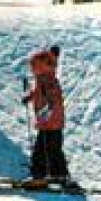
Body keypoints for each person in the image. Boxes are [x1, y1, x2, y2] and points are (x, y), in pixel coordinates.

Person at [23, 45, 70, 183]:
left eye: (34, 66)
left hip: (50, 122)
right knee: (50, 149)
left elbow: (53, 99)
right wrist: (30, 97)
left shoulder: (47, 81)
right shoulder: (44, 79)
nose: (32, 69)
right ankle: (54, 174)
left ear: (39, 66)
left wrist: (46, 112)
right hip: (50, 122)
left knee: (45, 149)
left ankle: (45, 175)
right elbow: (39, 93)